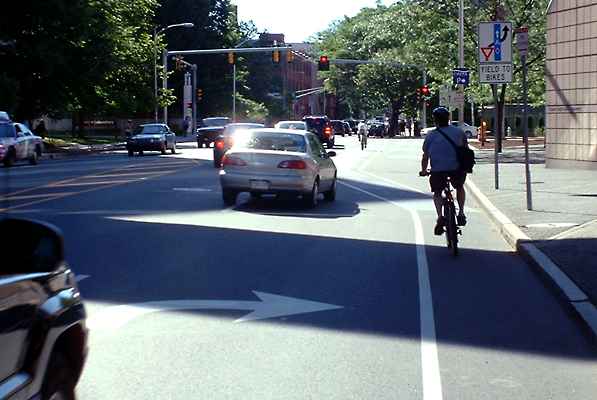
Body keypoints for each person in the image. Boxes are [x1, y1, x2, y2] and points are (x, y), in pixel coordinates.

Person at [419, 107, 468, 236]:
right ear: (449, 119)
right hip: (457, 169)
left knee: (437, 192)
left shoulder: (431, 135)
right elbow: (465, 150)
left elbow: (425, 157)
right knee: (459, 187)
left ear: (435, 120)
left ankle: (440, 216)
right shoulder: (459, 133)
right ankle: (461, 212)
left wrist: (424, 171)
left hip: (437, 171)